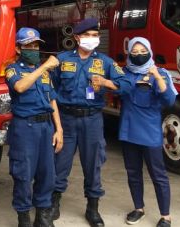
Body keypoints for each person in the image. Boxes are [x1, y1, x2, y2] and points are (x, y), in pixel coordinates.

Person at [50, 18, 130, 227]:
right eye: (88, 35)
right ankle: (54, 203)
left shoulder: (105, 62)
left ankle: (92, 208)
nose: (92, 39)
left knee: (93, 163)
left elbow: (126, 84)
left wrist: (105, 82)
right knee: (60, 162)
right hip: (66, 119)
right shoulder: (62, 59)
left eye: (95, 36)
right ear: (77, 37)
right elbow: (51, 89)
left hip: (92, 119)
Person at [4, 28, 62, 227]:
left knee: (47, 173)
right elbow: (20, 87)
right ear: (18, 48)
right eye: (28, 46)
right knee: (23, 173)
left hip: (46, 126)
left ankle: (43, 216)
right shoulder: (12, 69)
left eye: (36, 46)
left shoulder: (45, 73)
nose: (33, 49)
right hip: (25, 127)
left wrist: (59, 129)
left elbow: (52, 100)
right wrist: (44, 66)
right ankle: (23, 218)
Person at [118, 37, 176, 227]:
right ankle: (138, 208)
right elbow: (115, 90)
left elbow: (169, 101)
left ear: (150, 51)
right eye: (135, 52)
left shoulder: (160, 73)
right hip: (128, 131)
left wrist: (157, 77)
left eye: (143, 51)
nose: (139, 54)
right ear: (129, 53)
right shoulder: (123, 72)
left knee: (158, 175)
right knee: (133, 172)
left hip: (150, 132)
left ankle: (165, 216)